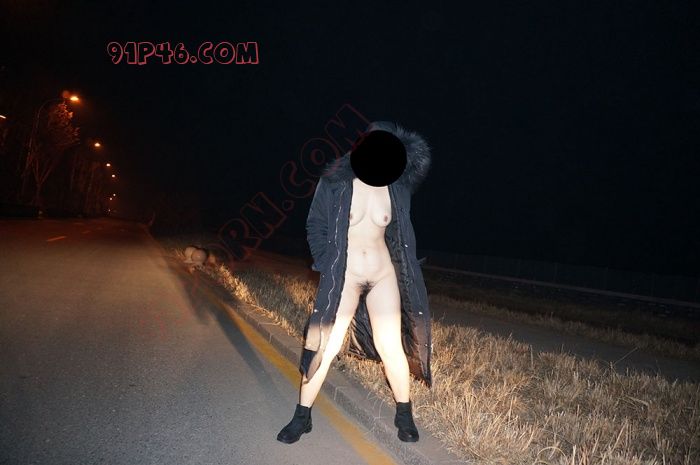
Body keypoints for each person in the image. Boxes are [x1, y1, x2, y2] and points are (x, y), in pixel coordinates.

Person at [277, 121, 433, 444]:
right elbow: (314, 225)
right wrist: (328, 263)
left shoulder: (397, 188)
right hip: (345, 275)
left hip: (382, 275)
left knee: (390, 346)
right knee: (326, 343)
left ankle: (405, 414)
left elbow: (400, 234)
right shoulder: (335, 182)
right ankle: (302, 416)